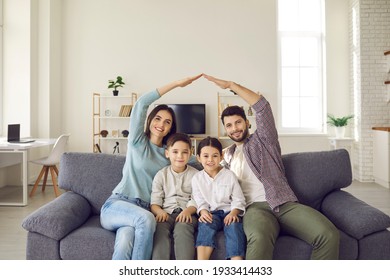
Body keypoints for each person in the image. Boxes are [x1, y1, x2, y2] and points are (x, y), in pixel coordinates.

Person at [203, 74, 340, 260]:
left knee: (328, 235)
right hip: (253, 209)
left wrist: (231, 84)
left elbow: (262, 107)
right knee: (259, 238)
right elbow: (207, 175)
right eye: (229, 125)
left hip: (283, 203)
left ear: (247, 122)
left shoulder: (263, 140)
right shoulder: (227, 155)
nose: (234, 128)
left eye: (238, 122)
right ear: (225, 130)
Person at [100, 74, 202, 260]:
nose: (161, 124)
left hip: (145, 210)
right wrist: (176, 83)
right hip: (118, 204)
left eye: (167, 122)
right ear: (150, 120)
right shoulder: (137, 141)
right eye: (158, 118)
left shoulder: (170, 153)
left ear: (171, 128)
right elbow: (141, 104)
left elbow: (203, 159)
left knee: (124, 242)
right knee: (146, 220)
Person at [192, 136, 246, 260]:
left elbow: (239, 199)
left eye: (215, 156)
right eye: (205, 156)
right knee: (205, 225)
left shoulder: (229, 175)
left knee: (234, 227)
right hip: (211, 213)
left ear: (221, 156)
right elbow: (200, 200)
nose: (210, 159)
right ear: (199, 158)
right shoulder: (197, 178)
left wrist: (234, 213)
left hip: (229, 212)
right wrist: (203, 211)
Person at [150, 133, 199, 260]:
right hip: (166, 213)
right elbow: (155, 202)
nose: (180, 156)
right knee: (159, 230)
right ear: (167, 153)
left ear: (190, 153)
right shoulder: (161, 175)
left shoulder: (196, 175)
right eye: (175, 152)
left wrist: (188, 211)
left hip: (187, 213)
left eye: (184, 152)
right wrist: (159, 212)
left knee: (183, 229)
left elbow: (198, 199)